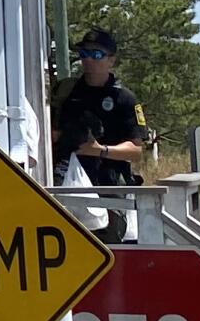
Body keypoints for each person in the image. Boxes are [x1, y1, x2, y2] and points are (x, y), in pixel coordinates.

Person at [53, 27, 147, 237]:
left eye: (96, 54)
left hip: (108, 186)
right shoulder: (65, 92)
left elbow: (135, 150)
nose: (89, 60)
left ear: (111, 60)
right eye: (84, 54)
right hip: (67, 184)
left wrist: (99, 150)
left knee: (108, 248)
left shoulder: (123, 98)